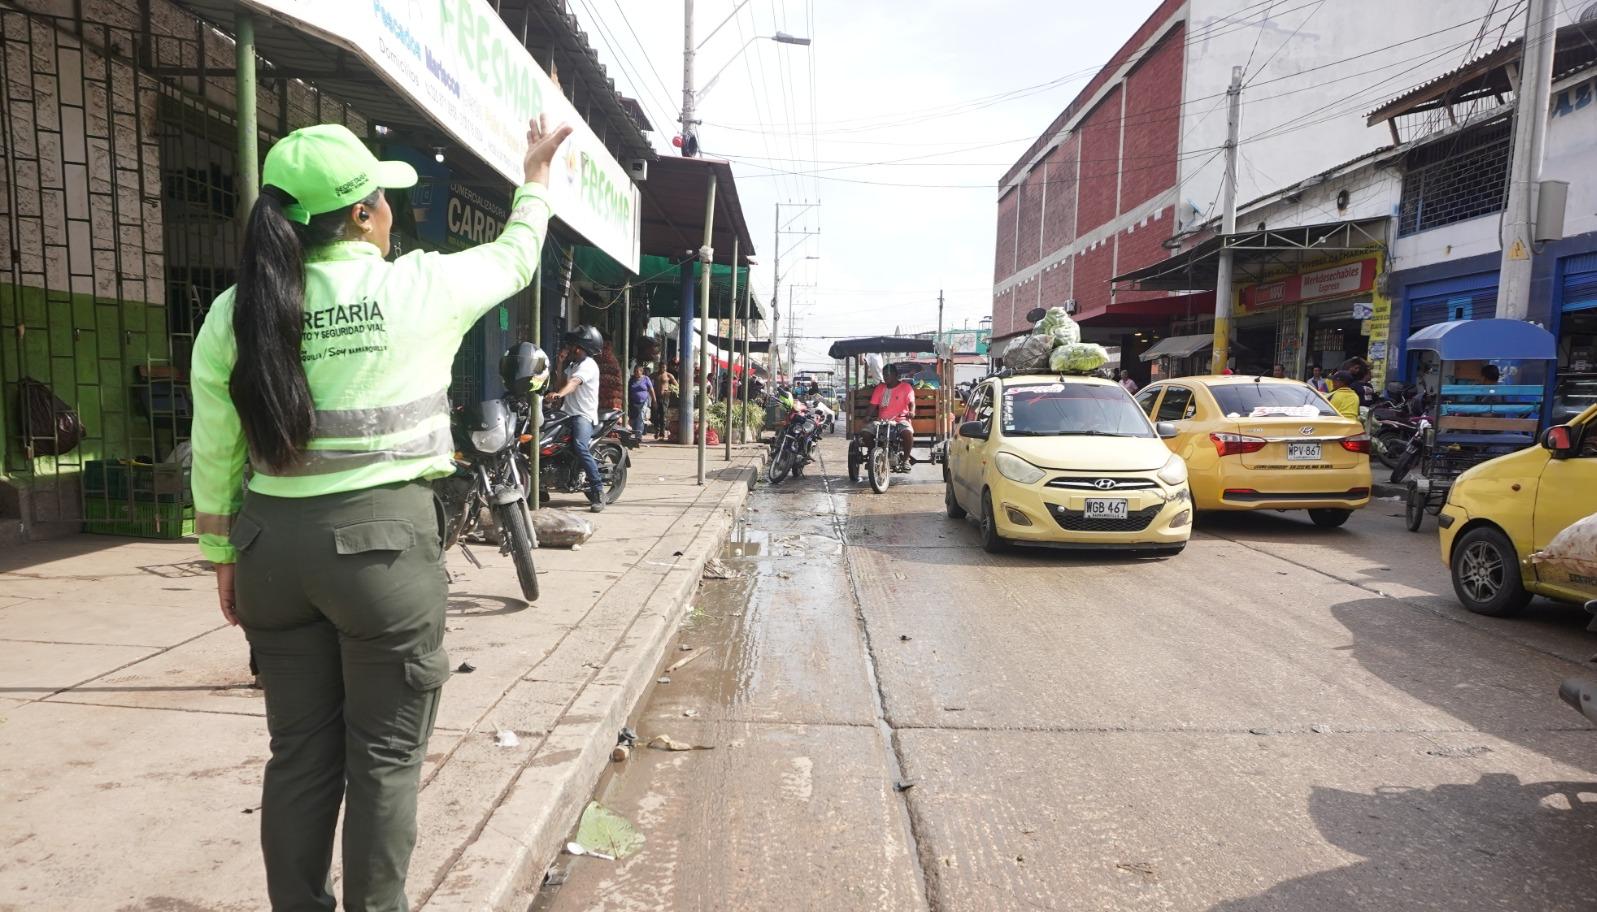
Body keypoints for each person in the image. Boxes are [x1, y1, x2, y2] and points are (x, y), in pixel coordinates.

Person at [190, 115, 572, 911]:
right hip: (381, 554)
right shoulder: (418, 286)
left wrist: (222, 558)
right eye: (383, 199)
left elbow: (216, 445)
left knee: (298, 757)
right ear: (362, 215)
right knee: (385, 759)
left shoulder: (236, 311)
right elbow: (515, 256)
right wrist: (533, 181)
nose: (391, 212)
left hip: (270, 551)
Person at [546, 324, 607, 513]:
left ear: (580, 348)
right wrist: (559, 363)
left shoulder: (588, 366)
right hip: (566, 413)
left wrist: (558, 395)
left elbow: (572, 384)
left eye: (571, 346)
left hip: (583, 416)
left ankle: (598, 491)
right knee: (546, 442)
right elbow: (561, 383)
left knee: (580, 446)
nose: (568, 348)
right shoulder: (573, 365)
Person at [868, 363, 916, 469]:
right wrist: (867, 416)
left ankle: (905, 460)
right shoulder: (880, 388)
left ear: (895, 375)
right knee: (865, 433)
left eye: (888, 374)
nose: (886, 377)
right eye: (884, 374)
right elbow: (873, 405)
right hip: (882, 421)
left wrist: (912, 412)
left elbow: (912, 403)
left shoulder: (906, 387)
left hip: (900, 420)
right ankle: (873, 457)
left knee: (908, 433)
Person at [652, 360, 677, 440]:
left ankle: (662, 434)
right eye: (661, 367)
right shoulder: (655, 375)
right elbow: (647, 380)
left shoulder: (669, 376)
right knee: (655, 415)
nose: (662, 368)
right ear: (659, 367)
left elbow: (676, 386)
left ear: (666, 367)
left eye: (664, 367)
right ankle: (657, 431)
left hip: (665, 398)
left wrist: (669, 391)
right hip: (656, 397)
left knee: (663, 415)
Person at [628, 365, 655, 440]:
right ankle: (636, 431)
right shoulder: (631, 379)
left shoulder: (646, 379)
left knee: (641, 417)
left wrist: (654, 400)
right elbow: (628, 390)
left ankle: (638, 435)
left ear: (641, 371)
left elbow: (651, 389)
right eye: (635, 371)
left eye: (638, 371)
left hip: (643, 401)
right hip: (633, 402)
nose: (636, 373)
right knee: (634, 418)